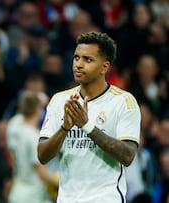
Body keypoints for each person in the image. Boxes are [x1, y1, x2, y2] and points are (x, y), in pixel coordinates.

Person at [37, 31, 141, 203]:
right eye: (76, 58)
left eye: (88, 59)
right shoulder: (59, 100)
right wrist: (65, 127)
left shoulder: (123, 102)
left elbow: (128, 156)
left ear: (104, 67)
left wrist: (87, 126)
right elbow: (42, 156)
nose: (79, 64)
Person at [8, 91, 59, 203]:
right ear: (38, 109)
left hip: (18, 191)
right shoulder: (33, 136)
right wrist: (61, 184)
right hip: (32, 196)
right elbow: (42, 174)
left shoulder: (17, 130)